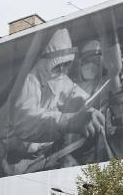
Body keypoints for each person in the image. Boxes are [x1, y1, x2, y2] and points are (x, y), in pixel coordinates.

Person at [7, 28, 105, 175]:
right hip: (13, 161)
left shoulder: (60, 78)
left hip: (40, 156)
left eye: (66, 64)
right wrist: (68, 122)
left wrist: (99, 101)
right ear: (45, 61)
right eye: (58, 64)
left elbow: (79, 97)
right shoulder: (30, 80)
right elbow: (25, 120)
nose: (62, 69)